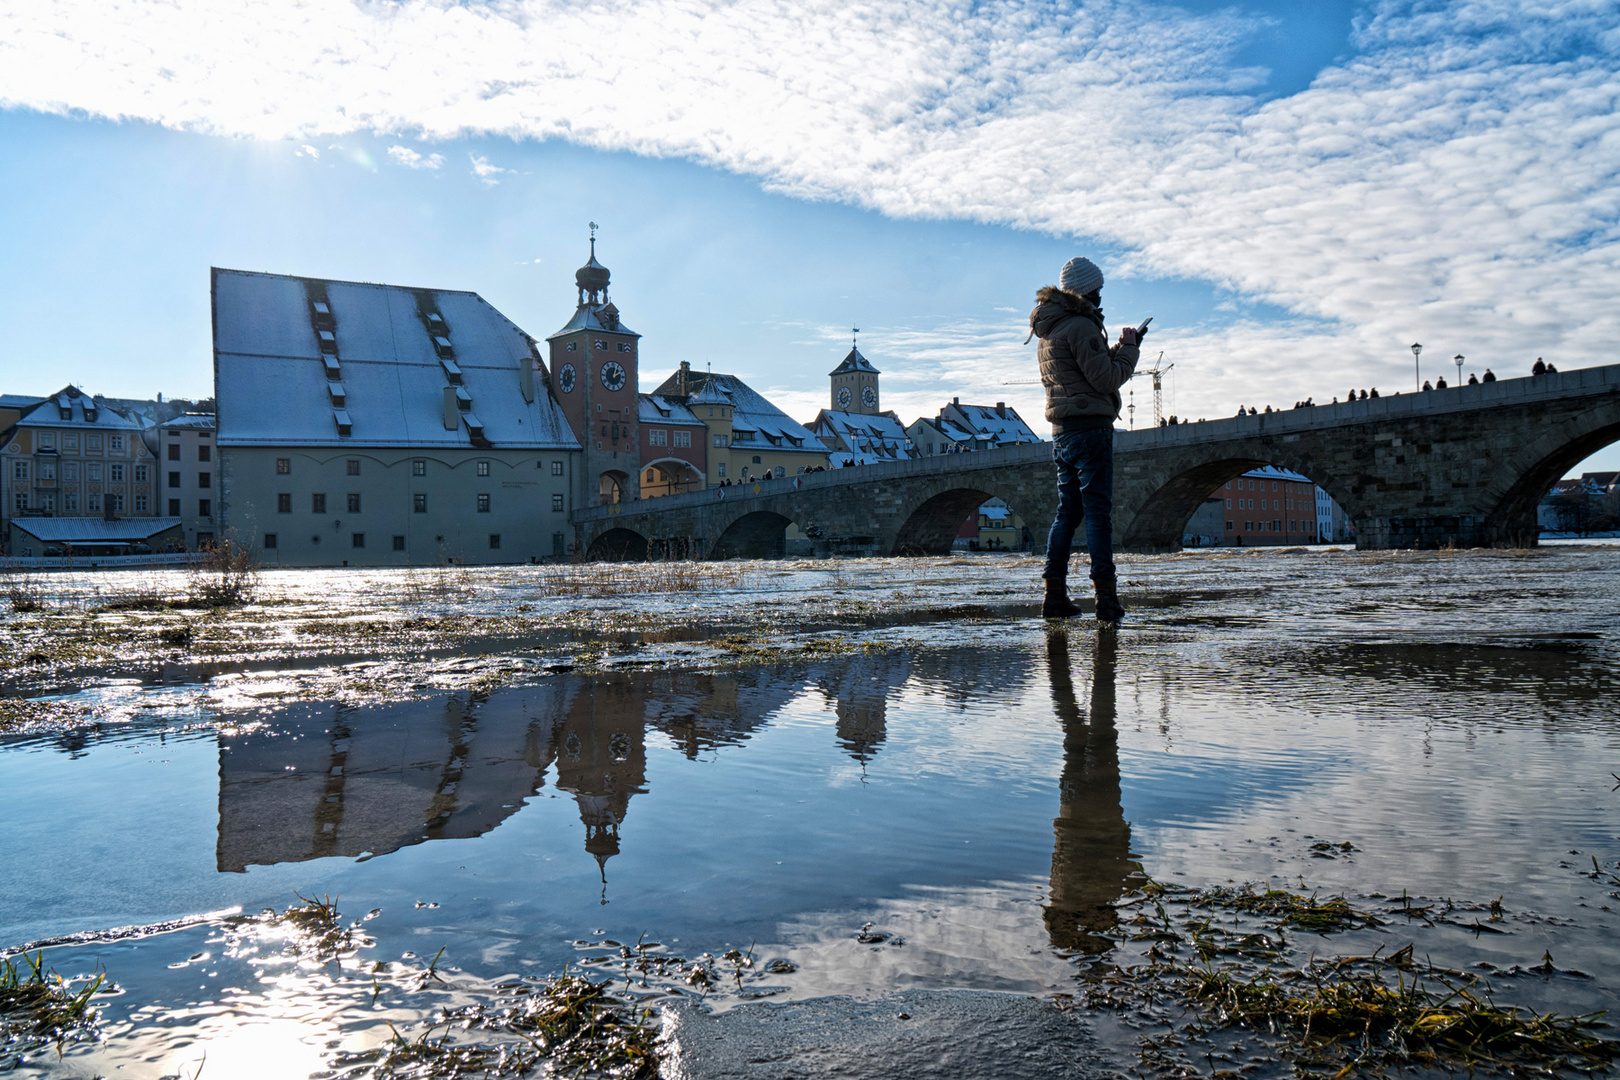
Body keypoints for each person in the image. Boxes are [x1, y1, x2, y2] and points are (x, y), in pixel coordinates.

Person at [1029, 255, 1139, 620]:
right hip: (1091, 430)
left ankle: (1053, 596)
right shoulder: (1081, 325)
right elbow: (1105, 380)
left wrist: (1111, 353)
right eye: (1099, 291)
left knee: (1067, 513)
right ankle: (1106, 599)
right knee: (1097, 514)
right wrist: (1129, 350)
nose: (1101, 298)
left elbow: (1081, 373)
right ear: (1088, 290)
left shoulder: (1050, 331)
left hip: (1061, 432)